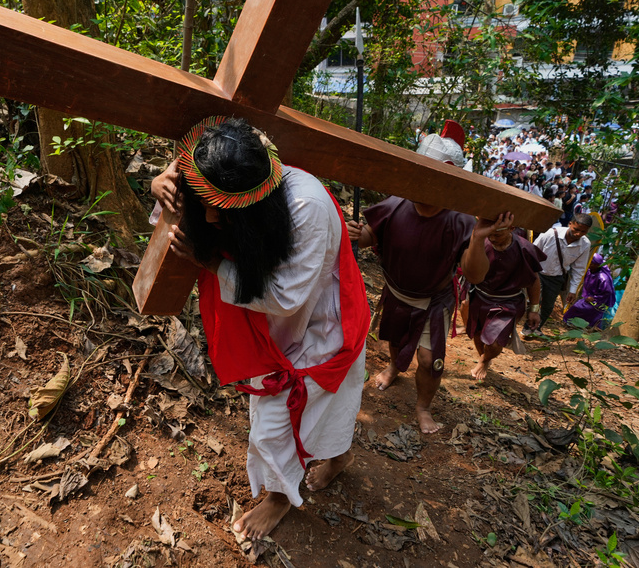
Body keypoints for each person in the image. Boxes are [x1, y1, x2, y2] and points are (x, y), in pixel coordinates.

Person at [150, 117, 369, 540]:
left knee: (282, 420)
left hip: (321, 324)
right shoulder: (212, 177)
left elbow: (287, 297)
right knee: (321, 413)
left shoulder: (306, 208)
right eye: (204, 202)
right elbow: (178, 222)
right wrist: (162, 187)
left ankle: (280, 498)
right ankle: (337, 456)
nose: (210, 218)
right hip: (271, 326)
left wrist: (212, 263)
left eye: (222, 209)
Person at [347, 121, 476, 434]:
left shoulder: (461, 220)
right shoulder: (395, 204)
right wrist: (356, 232)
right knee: (393, 338)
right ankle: (393, 367)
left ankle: (423, 407)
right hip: (396, 291)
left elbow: (473, 272)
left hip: (434, 299)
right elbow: (369, 237)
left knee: (430, 359)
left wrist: (482, 238)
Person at [461, 212, 546, 381]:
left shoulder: (524, 248)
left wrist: (534, 309)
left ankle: (485, 359)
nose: (492, 238)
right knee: (478, 334)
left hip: (509, 302)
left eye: (497, 234)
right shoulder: (481, 243)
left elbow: (533, 280)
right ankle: (483, 357)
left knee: (495, 343)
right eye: (489, 234)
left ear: (511, 228)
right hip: (480, 296)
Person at [529, 213, 593, 331]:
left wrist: (573, 290)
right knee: (534, 303)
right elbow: (532, 252)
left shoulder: (585, 245)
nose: (578, 234)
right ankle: (527, 328)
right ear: (570, 224)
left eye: (583, 232)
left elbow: (579, 269)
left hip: (557, 278)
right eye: (576, 229)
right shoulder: (550, 234)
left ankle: (534, 330)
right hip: (538, 274)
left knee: (548, 307)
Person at [562, 253, 615, 329]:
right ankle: (571, 324)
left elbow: (607, 291)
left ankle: (587, 328)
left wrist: (595, 298)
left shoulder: (603, 277)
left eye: (592, 264)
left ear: (597, 265)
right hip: (587, 298)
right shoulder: (590, 271)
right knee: (576, 308)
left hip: (597, 302)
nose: (590, 265)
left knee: (582, 310)